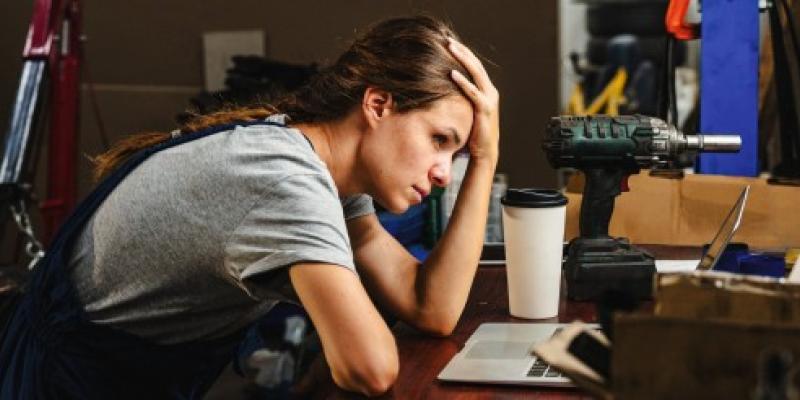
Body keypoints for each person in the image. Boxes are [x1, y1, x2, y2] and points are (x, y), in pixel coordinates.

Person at [0, 15, 499, 399]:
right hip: (55, 384)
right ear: (378, 105)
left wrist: (484, 156)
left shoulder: (322, 172)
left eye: (454, 153)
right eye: (439, 140)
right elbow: (369, 369)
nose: (442, 172)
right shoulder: (285, 179)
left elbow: (430, 308)